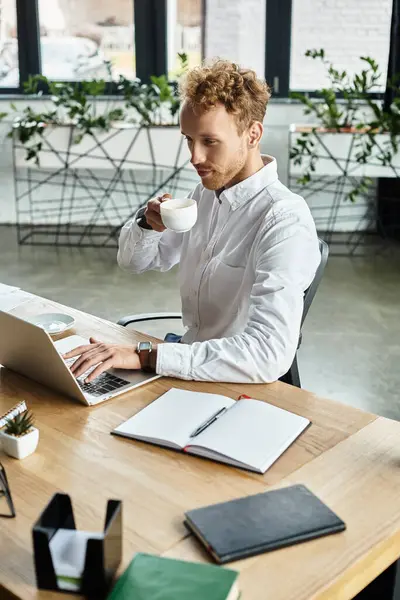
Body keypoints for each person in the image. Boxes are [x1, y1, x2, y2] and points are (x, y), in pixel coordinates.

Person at [64, 59, 320, 384]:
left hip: (236, 383)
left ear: (252, 134)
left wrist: (145, 355)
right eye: (188, 139)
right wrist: (148, 225)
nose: (194, 157)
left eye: (209, 142)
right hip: (186, 366)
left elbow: (268, 354)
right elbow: (133, 262)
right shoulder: (202, 196)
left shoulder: (284, 221)